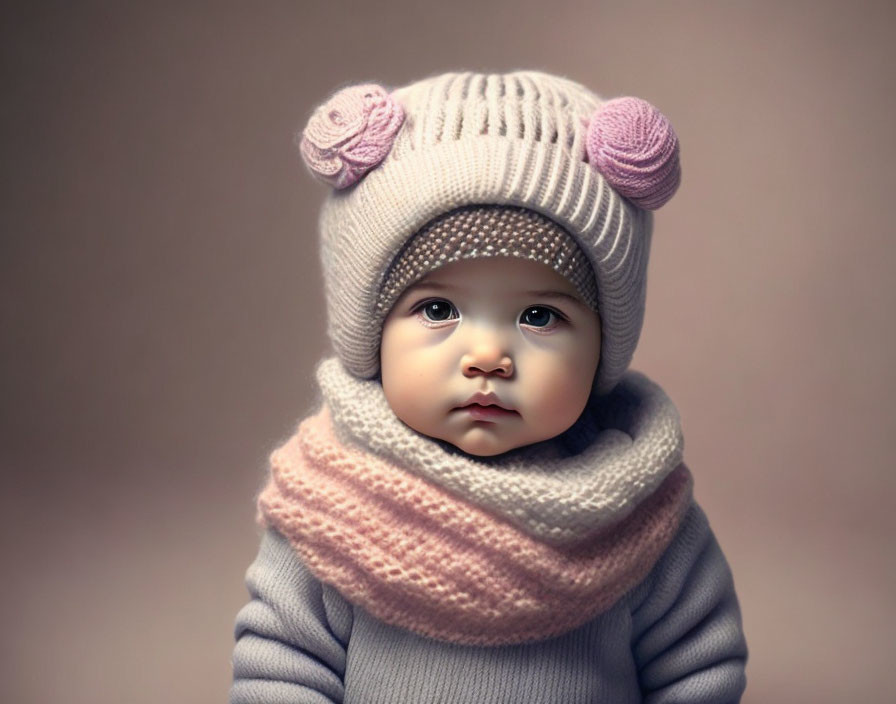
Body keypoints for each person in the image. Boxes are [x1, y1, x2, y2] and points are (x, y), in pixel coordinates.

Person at [229, 70, 748, 704]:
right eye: (438, 311)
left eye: (539, 317)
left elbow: (701, 668)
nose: (487, 357)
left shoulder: (641, 519)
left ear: (602, 348)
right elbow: (280, 666)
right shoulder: (331, 503)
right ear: (371, 333)